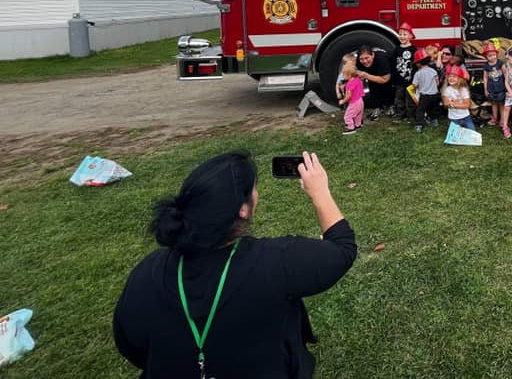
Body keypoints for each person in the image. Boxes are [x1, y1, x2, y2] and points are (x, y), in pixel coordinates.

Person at [113, 150, 356, 379]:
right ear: (243, 210)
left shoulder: (147, 271)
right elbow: (342, 248)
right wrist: (320, 193)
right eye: (254, 189)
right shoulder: (276, 261)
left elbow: (129, 343)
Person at [356, 44, 392, 120]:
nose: (365, 61)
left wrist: (367, 76)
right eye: (362, 59)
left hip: (388, 73)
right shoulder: (358, 61)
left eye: (367, 58)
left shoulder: (381, 59)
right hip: (373, 72)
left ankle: (390, 106)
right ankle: (377, 108)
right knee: (372, 85)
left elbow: (385, 79)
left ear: (372, 55)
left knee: (386, 86)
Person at [391, 23, 417, 120]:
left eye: (405, 34)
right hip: (399, 81)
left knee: (410, 99)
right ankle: (400, 115)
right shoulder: (396, 49)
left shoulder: (413, 49)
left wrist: (416, 80)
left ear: (410, 36)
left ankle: (411, 116)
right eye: (400, 34)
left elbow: (416, 65)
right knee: (399, 99)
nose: (402, 36)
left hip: (410, 81)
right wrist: (394, 79)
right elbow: (393, 64)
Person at [411, 48, 440, 133]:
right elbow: (437, 83)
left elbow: (414, 85)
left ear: (418, 63)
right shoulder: (433, 71)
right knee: (432, 109)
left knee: (420, 110)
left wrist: (416, 88)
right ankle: (434, 121)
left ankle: (419, 125)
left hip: (424, 96)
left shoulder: (418, 73)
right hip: (434, 95)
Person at [443, 64, 475, 131]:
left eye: (454, 76)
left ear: (460, 79)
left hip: (465, 117)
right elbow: (445, 103)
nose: (451, 78)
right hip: (453, 118)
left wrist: (454, 104)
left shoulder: (464, 90)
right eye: (450, 76)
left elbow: (467, 105)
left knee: (472, 132)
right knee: (454, 136)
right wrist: (448, 104)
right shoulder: (447, 90)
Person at [481, 43, 506, 129]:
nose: (492, 57)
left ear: (497, 54)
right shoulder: (486, 66)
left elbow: (506, 74)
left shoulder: (500, 63)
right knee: (494, 104)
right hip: (491, 89)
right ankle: (495, 118)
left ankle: (503, 119)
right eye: (490, 56)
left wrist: (507, 86)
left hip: (501, 88)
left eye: (494, 55)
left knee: (501, 104)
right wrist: (485, 89)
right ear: (486, 57)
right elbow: (485, 78)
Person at [338, 62, 364, 134]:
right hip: (360, 101)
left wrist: (343, 101)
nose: (343, 76)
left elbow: (348, 96)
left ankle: (351, 128)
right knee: (358, 115)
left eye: (344, 74)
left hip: (354, 102)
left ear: (349, 75)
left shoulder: (349, 84)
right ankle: (358, 125)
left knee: (347, 116)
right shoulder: (358, 79)